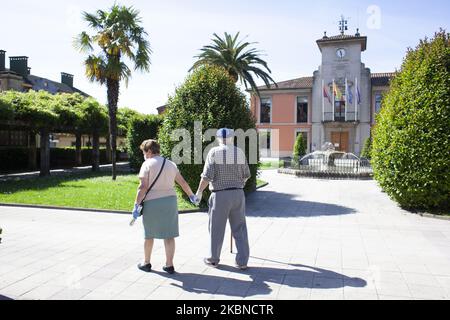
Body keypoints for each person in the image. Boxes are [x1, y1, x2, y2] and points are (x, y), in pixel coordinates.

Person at [132, 139, 198, 274]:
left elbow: (143, 187)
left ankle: (146, 262)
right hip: (170, 202)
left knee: (149, 234)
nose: (143, 155)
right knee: (169, 235)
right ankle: (169, 265)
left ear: (149, 151)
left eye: (144, 152)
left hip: (152, 203)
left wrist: (136, 205)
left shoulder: (147, 164)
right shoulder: (171, 164)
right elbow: (183, 182)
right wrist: (192, 196)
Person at [195, 128, 251, 270]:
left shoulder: (214, 152)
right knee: (240, 228)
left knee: (216, 228)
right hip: (238, 194)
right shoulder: (239, 152)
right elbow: (246, 175)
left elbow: (207, 176)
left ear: (218, 139)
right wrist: (240, 184)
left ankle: (213, 259)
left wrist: (199, 192)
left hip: (220, 195)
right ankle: (242, 261)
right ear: (232, 138)